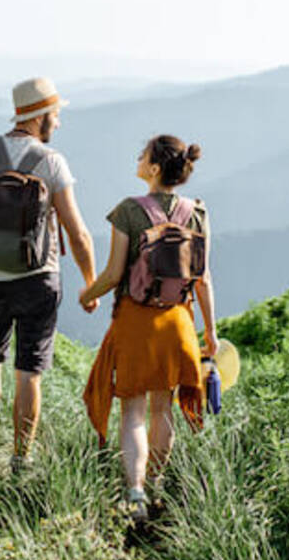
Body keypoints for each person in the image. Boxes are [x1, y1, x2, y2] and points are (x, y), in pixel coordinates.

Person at [0, 77, 98, 474]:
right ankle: (22, 458)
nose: (58, 122)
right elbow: (78, 232)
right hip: (40, 277)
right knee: (29, 373)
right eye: (56, 114)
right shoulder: (51, 162)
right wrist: (91, 282)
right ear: (40, 117)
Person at [79, 134, 218, 524]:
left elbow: (114, 274)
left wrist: (85, 294)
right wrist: (210, 330)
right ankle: (156, 482)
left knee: (133, 413)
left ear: (154, 168)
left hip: (136, 321)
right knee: (163, 408)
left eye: (142, 156)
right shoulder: (198, 212)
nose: (137, 160)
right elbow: (204, 278)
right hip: (178, 321)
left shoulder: (128, 211)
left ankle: (135, 493)